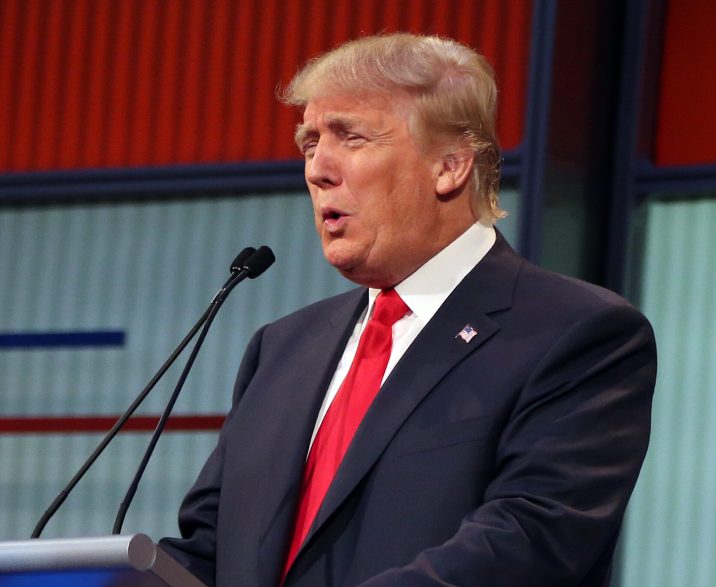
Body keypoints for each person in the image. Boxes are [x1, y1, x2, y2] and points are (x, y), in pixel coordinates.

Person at [160, 33, 656, 587]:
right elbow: (208, 549)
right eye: (309, 144)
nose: (317, 169)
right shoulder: (281, 348)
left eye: (350, 137)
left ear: (449, 166)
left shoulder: (576, 332)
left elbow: (530, 540)